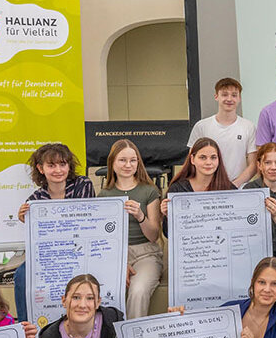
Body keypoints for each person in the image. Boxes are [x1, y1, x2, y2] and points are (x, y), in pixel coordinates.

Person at [14, 143, 96, 321]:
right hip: (50, 255)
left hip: (80, 250)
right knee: (21, 274)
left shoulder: (82, 185)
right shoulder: (35, 200)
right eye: (51, 165)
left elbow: (82, 224)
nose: (58, 170)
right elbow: (38, 238)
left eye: (63, 164)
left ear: (69, 166)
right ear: (40, 169)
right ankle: (26, 328)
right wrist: (25, 219)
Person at [98, 139, 163, 319]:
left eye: (133, 160)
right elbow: (102, 237)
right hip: (114, 254)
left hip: (146, 253)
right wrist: (119, 263)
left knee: (138, 290)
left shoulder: (149, 191)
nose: (128, 165)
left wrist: (140, 216)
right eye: (122, 160)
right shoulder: (104, 195)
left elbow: (154, 235)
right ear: (112, 162)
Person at [160, 137, 238, 236]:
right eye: (203, 157)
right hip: (191, 249)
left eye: (213, 157)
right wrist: (168, 216)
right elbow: (168, 234)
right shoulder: (178, 190)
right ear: (192, 159)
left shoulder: (230, 189)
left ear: (219, 160)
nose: (208, 162)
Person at [188, 77, 259, 187]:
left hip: (238, 189)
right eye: (225, 94)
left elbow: (253, 164)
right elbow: (192, 161)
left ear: (239, 98)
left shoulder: (248, 127)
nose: (229, 99)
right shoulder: (201, 126)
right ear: (216, 96)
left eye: (234, 95)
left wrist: (234, 185)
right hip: (206, 189)